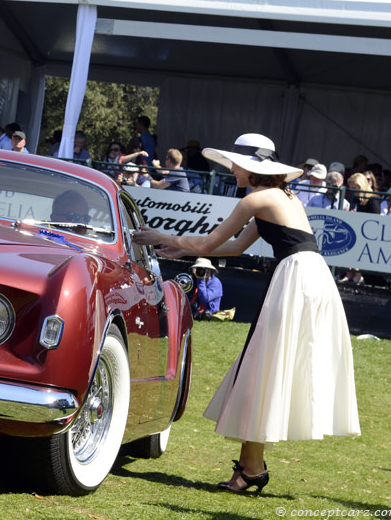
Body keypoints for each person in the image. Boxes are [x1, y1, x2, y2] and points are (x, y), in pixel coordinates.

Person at [132, 133, 360, 493]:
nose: (232, 168)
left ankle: (251, 469)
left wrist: (165, 237)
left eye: (236, 163)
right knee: (261, 368)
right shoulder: (278, 196)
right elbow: (237, 245)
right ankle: (250, 469)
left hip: (296, 277)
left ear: (252, 168)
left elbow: (211, 243)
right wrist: (181, 249)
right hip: (306, 276)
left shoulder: (259, 198)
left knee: (262, 366)